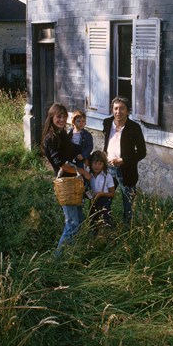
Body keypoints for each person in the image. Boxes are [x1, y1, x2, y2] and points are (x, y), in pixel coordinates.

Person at [41, 103, 90, 251]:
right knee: (72, 223)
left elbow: (71, 150)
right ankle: (57, 260)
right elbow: (61, 164)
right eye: (58, 116)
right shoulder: (51, 137)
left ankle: (73, 253)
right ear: (52, 117)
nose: (62, 119)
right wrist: (83, 172)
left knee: (79, 219)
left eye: (64, 117)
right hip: (66, 183)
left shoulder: (62, 133)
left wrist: (87, 154)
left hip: (74, 182)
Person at [103, 96, 146, 224]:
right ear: (112, 110)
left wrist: (123, 160)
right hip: (109, 168)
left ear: (128, 111)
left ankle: (128, 231)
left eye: (122, 109)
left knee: (128, 203)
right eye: (116, 108)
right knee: (104, 200)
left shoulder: (134, 127)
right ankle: (106, 225)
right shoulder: (107, 122)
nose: (118, 112)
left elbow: (142, 152)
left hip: (126, 170)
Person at [86, 150, 115, 230]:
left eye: (100, 164)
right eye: (95, 163)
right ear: (91, 163)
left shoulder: (107, 176)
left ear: (103, 165)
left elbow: (112, 193)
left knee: (106, 220)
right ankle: (93, 237)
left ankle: (110, 236)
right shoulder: (88, 174)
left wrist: (102, 194)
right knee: (92, 221)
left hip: (104, 201)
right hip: (93, 200)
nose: (97, 166)